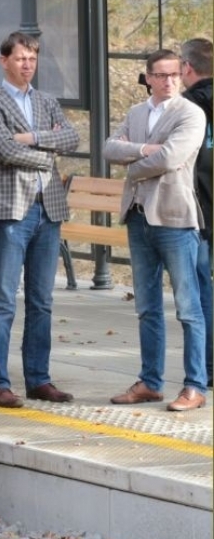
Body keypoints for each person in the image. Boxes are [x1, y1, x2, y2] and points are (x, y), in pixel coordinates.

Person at [0, 31, 80, 408]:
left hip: (48, 210)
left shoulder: (46, 101)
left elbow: (72, 139)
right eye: (21, 58)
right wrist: (46, 148)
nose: (27, 65)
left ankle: (39, 379)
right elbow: (3, 149)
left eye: (32, 59)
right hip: (11, 212)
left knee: (42, 301)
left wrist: (29, 137)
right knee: (3, 301)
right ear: (4, 60)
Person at [102, 49, 208, 411]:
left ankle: (194, 386)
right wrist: (145, 148)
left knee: (188, 308)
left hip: (175, 219)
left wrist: (133, 165)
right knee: (147, 307)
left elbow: (172, 157)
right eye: (161, 75)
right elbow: (109, 148)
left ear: (182, 74)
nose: (169, 81)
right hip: (137, 217)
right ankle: (150, 382)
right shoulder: (136, 113)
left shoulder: (191, 113)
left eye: (175, 74)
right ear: (148, 78)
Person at [180, 37, 213, 401]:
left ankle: (207, 367)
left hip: (200, 213)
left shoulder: (186, 108)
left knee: (201, 290)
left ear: (187, 68)